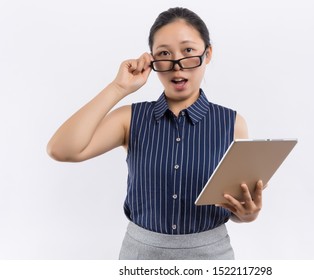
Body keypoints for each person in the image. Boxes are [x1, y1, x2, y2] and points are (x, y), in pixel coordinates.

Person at [47, 7, 263, 260]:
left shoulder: (232, 123)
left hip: (211, 257)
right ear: (151, 61)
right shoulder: (130, 118)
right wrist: (118, 88)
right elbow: (61, 150)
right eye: (164, 54)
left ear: (208, 54)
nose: (177, 66)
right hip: (140, 256)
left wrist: (248, 214)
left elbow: (235, 201)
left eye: (189, 51)